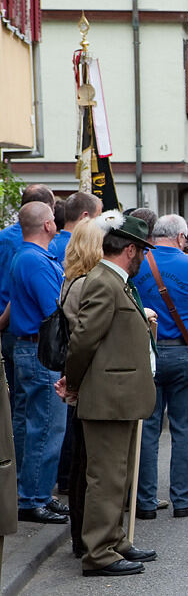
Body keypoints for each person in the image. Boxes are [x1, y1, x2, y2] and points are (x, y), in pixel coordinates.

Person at [62, 212, 158, 577]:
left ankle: (114, 540)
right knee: (105, 477)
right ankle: (99, 552)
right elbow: (83, 339)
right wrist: (72, 382)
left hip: (119, 396)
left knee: (118, 475)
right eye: (142, 251)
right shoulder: (104, 281)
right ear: (129, 249)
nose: (144, 259)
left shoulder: (113, 281)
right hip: (108, 397)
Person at [132, 214, 188, 519]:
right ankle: (183, 498)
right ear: (179, 237)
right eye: (186, 239)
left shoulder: (138, 262)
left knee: (148, 429)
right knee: (184, 428)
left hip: (145, 351)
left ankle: (146, 502)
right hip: (182, 353)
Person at [55, 218, 108, 556]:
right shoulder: (86, 284)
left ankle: (81, 535)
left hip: (81, 376)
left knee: (81, 461)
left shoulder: (71, 281)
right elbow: (86, 338)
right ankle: (84, 537)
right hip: (89, 378)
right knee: (86, 463)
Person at [0, 185, 55, 440]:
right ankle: (29, 479)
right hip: (37, 339)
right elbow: (52, 309)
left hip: (12, 330)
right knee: (42, 423)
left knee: (18, 411)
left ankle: (16, 474)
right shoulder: (38, 253)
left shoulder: (7, 241)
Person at [51, 192, 102, 264]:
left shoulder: (50, 243)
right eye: (98, 216)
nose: (100, 223)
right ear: (85, 216)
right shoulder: (80, 249)